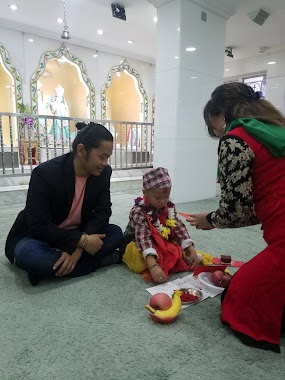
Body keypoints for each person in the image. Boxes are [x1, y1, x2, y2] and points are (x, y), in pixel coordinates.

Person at [187, 82, 285, 353]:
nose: (218, 133)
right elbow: (259, 204)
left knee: (238, 298)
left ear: (223, 114)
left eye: (214, 126)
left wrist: (211, 219)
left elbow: (236, 209)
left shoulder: (237, 137)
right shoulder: (276, 131)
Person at [5, 122, 123, 286]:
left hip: (80, 232)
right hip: (43, 236)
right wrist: (82, 242)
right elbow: (39, 226)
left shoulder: (103, 173)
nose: (105, 163)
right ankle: (99, 262)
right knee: (27, 253)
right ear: (81, 150)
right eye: (102, 157)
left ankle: (47, 271)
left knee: (116, 233)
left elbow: (103, 213)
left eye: (107, 157)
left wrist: (79, 248)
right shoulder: (45, 174)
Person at [121, 167, 201, 283]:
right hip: (137, 242)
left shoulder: (168, 207)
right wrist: (152, 266)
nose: (163, 201)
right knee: (140, 263)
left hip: (159, 239)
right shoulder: (138, 210)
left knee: (174, 250)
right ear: (145, 193)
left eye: (166, 196)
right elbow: (142, 238)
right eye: (158, 198)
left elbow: (178, 226)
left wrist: (190, 248)